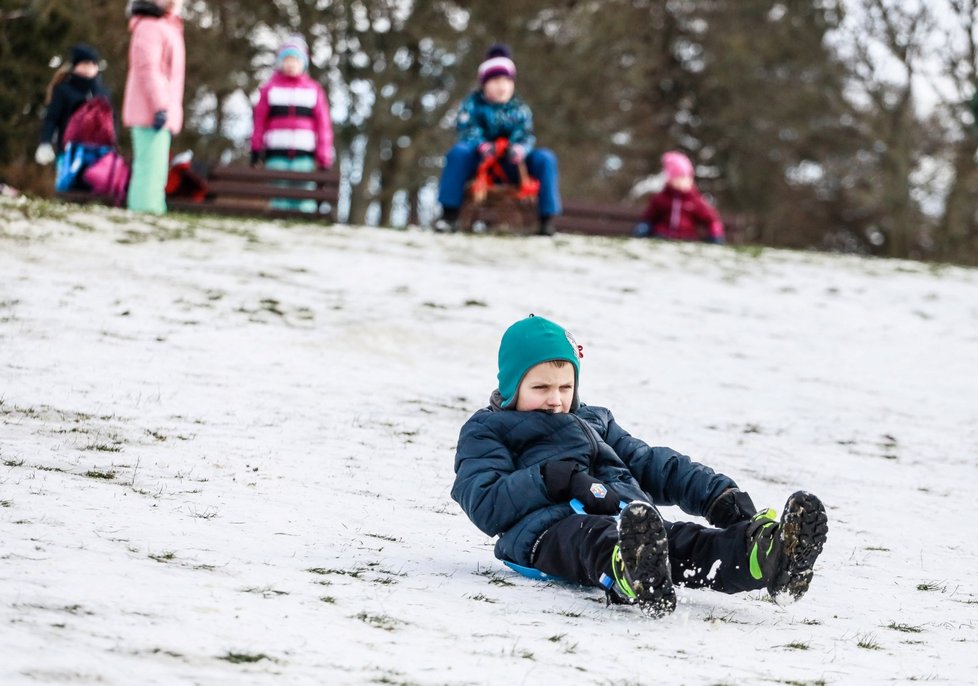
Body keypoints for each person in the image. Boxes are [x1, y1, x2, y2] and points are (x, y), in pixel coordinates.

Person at [451, 314, 828, 617]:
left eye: (565, 388)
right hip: (545, 534)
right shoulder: (489, 429)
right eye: (541, 389)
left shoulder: (594, 421)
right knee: (591, 536)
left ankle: (766, 556)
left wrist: (716, 493)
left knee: (685, 543)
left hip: (631, 519)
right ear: (513, 385)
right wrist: (550, 480)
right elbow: (483, 500)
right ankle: (629, 570)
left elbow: (650, 463)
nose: (555, 400)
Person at [435, 44, 561, 236]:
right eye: (495, 80)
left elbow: (526, 135)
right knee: (458, 153)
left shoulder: (520, 109)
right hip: (479, 165)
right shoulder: (471, 105)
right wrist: (482, 146)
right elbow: (467, 130)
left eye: (507, 80)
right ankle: (449, 215)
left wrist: (519, 149)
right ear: (484, 83)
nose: (502, 86)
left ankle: (546, 220)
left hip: (513, 165)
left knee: (545, 158)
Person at [250, 35, 334, 213]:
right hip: (276, 153)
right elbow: (259, 121)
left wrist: (324, 156)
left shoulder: (313, 90)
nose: (291, 64)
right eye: (287, 59)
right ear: (280, 62)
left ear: (303, 63)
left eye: (295, 59)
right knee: (278, 196)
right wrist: (256, 148)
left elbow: (323, 126)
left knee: (303, 198)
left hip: (304, 155)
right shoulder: (270, 88)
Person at [122, 0, 186, 214]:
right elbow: (148, 69)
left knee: (157, 169)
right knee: (149, 169)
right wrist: (160, 106)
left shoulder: (166, 27)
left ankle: (153, 209)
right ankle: (144, 212)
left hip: (162, 110)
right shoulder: (150, 27)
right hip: (151, 110)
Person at [35, 44, 110, 182]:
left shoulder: (101, 93)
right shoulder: (64, 91)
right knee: (68, 183)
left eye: (92, 64)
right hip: (68, 149)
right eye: (85, 64)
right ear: (75, 66)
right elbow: (52, 118)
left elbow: (110, 120)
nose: (89, 68)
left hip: (97, 150)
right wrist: (45, 141)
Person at [634, 151, 726, 244]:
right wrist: (644, 226)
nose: (685, 181)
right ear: (671, 179)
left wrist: (715, 232)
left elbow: (710, 219)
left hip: (687, 237)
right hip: (662, 236)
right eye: (680, 178)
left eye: (688, 177)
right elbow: (649, 217)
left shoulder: (695, 201)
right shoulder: (661, 198)